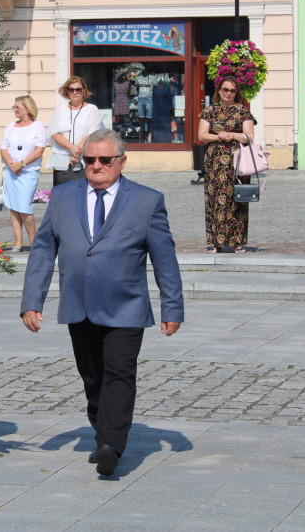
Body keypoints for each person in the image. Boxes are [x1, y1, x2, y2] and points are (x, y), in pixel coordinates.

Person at [20, 129, 184, 477]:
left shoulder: (146, 200)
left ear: (121, 162)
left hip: (126, 304)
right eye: (90, 159)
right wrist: (33, 300)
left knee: (120, 373)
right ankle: (103, 433)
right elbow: (44, 249)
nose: (96, 166)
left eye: (105, 160)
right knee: (93, 377)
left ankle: (111, 443)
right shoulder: (62, 197)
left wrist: (173, 307)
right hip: (79, 303)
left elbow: (165, 259)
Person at [198, 78, 256, 253]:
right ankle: (216, 242)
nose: (228, 93)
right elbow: (202, 135)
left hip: (238, 163)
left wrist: (232, 134)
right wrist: (219, 137)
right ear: (219, 91)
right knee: (215, 201)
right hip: (215, 163)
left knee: (237, 200)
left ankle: (238, 241)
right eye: (225, 90)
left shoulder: (243, 112)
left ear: (236, 93)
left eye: (232, 90)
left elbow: (250, 137)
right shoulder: (209, 111)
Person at [0, 95, 46, 252]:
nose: (15, 110)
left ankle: (34, 242)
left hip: (28, 172)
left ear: (27, 108)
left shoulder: (37, 126)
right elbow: (3, 148)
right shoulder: (11, 126)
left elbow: (39, 150)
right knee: (13, 207)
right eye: (14, 107)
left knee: (25, 207)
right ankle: (18, 241)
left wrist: (23, 163)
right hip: (12, 172)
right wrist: (12, 164)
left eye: (17, 107)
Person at [48, 76, 102, 186]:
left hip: (84, 158)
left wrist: (76, 154)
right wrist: (71, 148)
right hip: (62, 158)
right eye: (71, 90)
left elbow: (93, 133)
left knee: (83, 195)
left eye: (78, 89)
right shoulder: (60, 108)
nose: (75, 92)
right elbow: (54, 133)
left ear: (84, 91)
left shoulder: (92, 109)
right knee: (63, 195)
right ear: (67, 92)